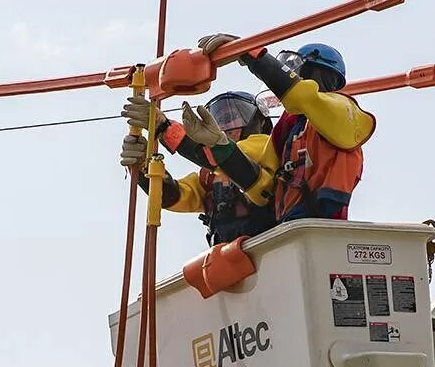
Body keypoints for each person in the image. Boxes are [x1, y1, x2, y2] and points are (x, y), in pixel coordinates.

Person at [198, 35, 374, 223]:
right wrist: (220, 147)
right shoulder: (289, 129)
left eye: (297, 71)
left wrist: (253, 56)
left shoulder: (346, 113)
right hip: (290, 228)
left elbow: (304, 97)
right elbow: (260, 182)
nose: (292, 77)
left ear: (317, 74)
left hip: (323, 227)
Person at [117, 88, 280, 246]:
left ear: (259, 120)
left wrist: (164, 127)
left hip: (273, 241)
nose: (225, 126)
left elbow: (230, 158)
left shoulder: (265, 145)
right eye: (219, 121)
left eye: (231, 116)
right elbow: (174, 196)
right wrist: (144, 169)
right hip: (231, 257)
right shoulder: (210, 176)